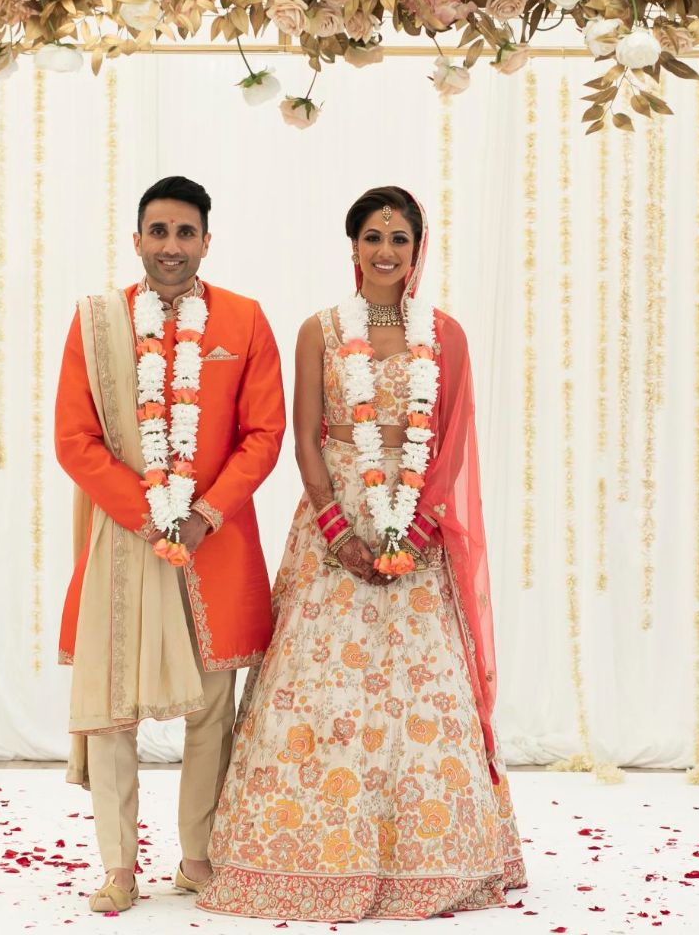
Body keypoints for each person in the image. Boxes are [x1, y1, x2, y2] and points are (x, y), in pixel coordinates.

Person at [197, 186, 525, 921]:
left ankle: (432, 860)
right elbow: (307, 438)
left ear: (417, 249)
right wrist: (337, 529)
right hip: (334, 523)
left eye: (398, 239)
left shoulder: (446, 334)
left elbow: (452, 441)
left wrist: (421, 525)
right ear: (352, 246)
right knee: (318, 686)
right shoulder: (318, 330)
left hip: (416, 526)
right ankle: (302, 854)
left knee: (422, 691)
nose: (385, 251)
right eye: (373, 237)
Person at [53, 175, 286, 913]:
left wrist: (205, 514)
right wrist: (146, 514)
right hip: (126, 543)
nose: (171, 246)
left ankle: (198, 857)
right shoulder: (98, 323)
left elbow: (264, 433)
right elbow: (75, 439)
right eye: (158, 231)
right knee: (113, 707)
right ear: (136, 240)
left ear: (207, 241)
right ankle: (118, 867)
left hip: (214, 545)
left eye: (186, 232)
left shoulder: (244, 319)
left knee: (212, 708)